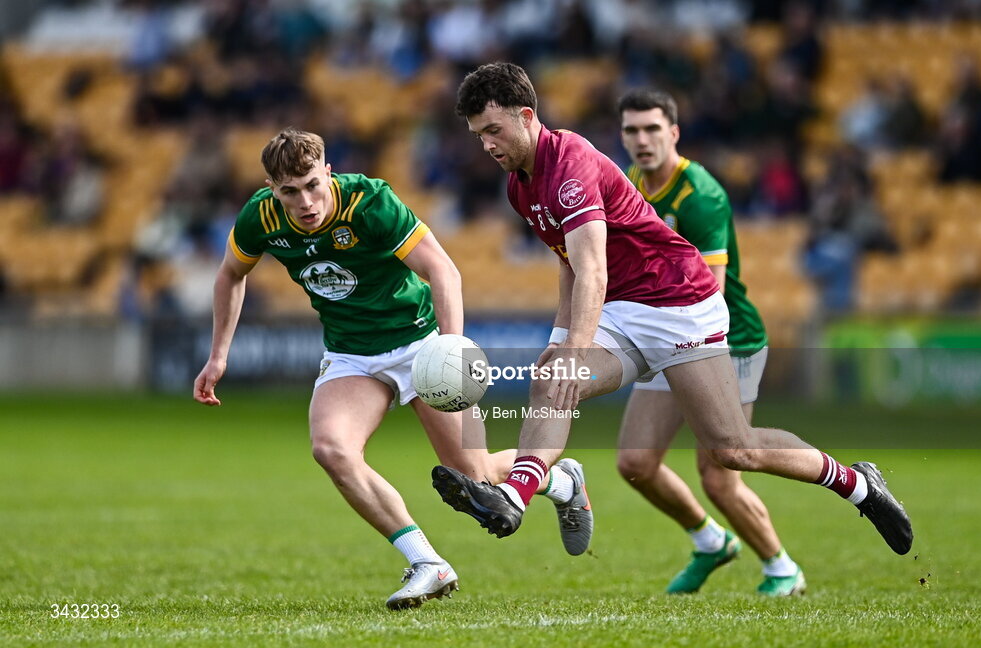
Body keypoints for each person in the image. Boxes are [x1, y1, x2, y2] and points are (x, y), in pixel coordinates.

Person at [431, 63, 913, 571]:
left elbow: (593, 269)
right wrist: (560, 340)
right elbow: (570, 264)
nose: (486, 145)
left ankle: (858, 483)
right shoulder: (519, 185)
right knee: (552, 379)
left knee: (734, 449)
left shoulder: (570, 165)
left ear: (527, 116)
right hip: (622, 309)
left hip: (678, 302)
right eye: (478, 135)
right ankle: (517, 497)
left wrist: (576, 344)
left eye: (493, 130)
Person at [191, 128, 588, 609]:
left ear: (328, 173)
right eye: (289, 192)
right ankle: (428, 563)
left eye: (313, 185)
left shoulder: (370, 202)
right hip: (351, 355)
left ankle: (562, 481)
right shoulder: (261, 217)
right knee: (332, 449)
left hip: (419, 342)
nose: (305, 202)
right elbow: (231, 275)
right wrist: (218, 355)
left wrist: (452, 346)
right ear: (272, 190)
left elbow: (442, 269)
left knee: (476, 477)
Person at [616, 88, 802, 596]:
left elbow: (710, 296)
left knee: (722, 467)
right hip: (665, 333)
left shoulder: (700, 195)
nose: (642, 139)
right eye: (632, 130)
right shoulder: (630, 183)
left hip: (724, 337)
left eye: (652, 128)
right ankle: (711, 541)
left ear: (674, 132)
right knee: (635, 463)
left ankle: (782, 567)